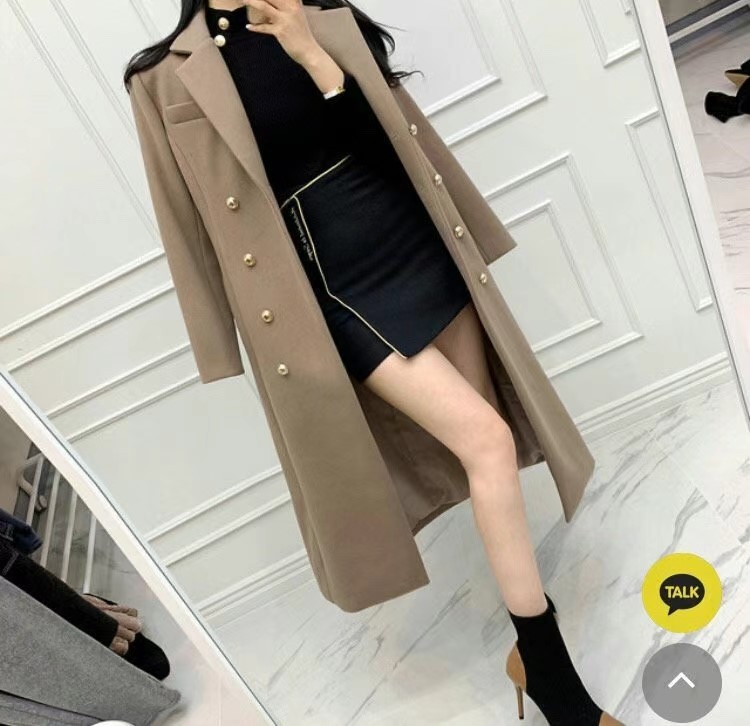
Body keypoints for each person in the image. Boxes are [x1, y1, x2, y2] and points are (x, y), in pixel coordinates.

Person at [123, 2, 620, 723]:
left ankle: (525, 645)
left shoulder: (320, 16)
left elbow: (393, 145)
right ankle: (551, 676)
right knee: (488, 442)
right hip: (328, 285)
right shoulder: (161, 77)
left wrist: (312, 53)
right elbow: (183, 220)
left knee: (487, 452)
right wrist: (219, 346)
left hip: (413, 241)